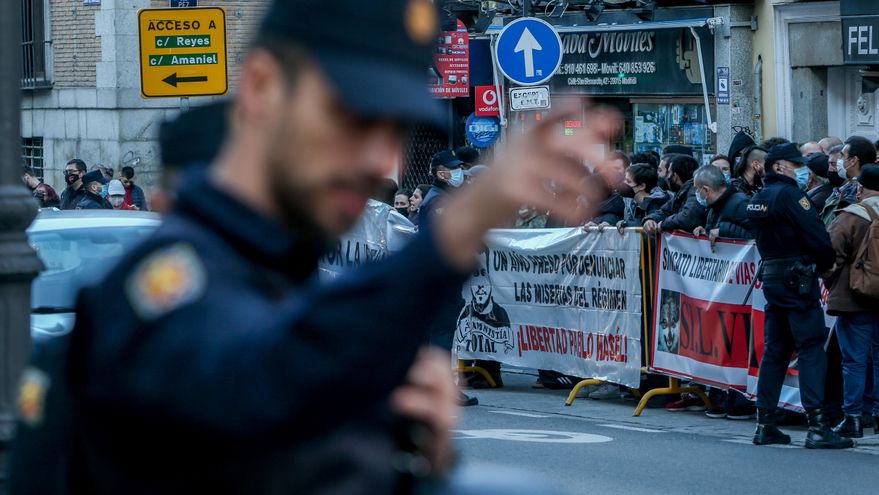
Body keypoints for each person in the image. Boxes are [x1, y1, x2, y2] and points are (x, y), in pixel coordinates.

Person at [16, 0, 622, 492]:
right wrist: (453, 234)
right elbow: (258, 379)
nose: (378, 159)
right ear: (259, 87)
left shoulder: (285, 273)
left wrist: (406, 453)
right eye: (352, 117)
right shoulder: (166, 279)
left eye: (394, 130)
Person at [747, 142, 853, 449]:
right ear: (779, 167)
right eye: (796, 165)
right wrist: (823, 265)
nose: (802, 171)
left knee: (776, 350)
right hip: (797, 278)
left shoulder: (760, 197)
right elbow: (818, 238)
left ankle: (764, 423)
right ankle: (818, 425)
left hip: (772, 276)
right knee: (810, 348)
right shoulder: (791, 195)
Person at [823, 165, 879, 438]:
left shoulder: (852, 216)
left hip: (854, 297)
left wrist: (832, 281)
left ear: (860, 188)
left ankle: (853, 417)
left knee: (854, 361)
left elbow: (829, 255)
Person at [642, 155, 707, 235]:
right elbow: (664, 211)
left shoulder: (694, 191)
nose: (667, 177)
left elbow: (687, 218)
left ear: (675, 177)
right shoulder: (680, 193)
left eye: (669, 172)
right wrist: (650, 220)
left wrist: (663, 224)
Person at [691, 165, 753, 245]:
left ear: (706, 190)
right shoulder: (713, 207)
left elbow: (758, 236)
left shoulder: (741, 204)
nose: (696, 193)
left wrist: (723, 230)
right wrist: (705, 232)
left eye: (697, 189)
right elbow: (715, 233)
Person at [418, 150, 464, 226]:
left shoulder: (442, 194)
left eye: (459, 166)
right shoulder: (438, 200)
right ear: (441, 174)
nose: (459, 170)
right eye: (453, 167)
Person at [617, 163, 668, 228]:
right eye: (625, 180)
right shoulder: (631, 204)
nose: (624, 183)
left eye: (628, 181)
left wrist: (626, 224)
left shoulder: (655, 205)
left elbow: (648, 231)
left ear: (641, 186)